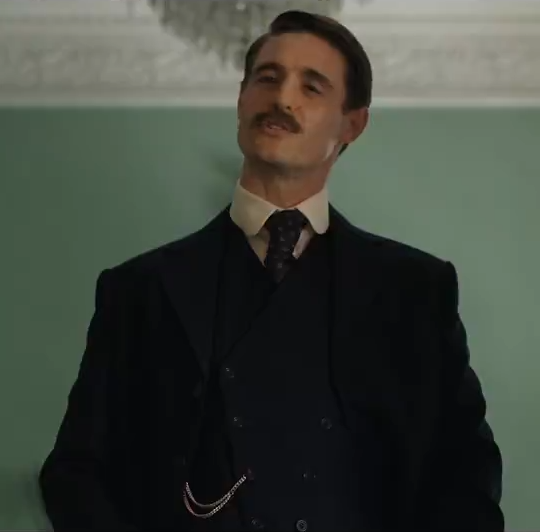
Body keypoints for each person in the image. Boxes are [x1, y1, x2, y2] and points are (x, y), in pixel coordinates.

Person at [39, 10, 503, 531]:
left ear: (352, 124)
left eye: (311, 87)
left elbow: (467, 473)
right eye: (267, 78)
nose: (282, 98)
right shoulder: (138, 290)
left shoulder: (417, 291)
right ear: (241, 100)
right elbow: (75, 472)